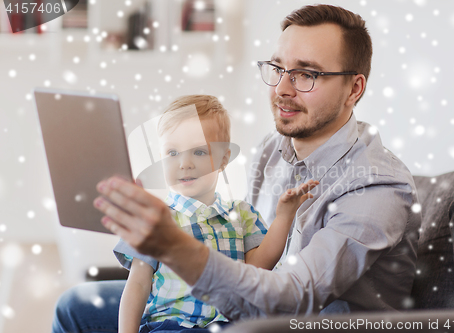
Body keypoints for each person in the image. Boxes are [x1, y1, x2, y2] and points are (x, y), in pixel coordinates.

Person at [52, 4, 421, 332]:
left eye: (306, 74)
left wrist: (177, 247)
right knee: (75, 306)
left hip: (300, 322)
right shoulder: (272, 149)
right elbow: (244, 251)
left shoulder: (377, 188)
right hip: (244, 313)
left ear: (354, 89)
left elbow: (295, 297)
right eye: (278, 68)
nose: (283, 88)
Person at [114, 94, 318, 333]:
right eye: (172, 153)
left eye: (199, 152)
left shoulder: (242, 214)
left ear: (223, 159)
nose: (184, 163)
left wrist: (284, 216)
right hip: (172, 325)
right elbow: (138, 284)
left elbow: (258, 267)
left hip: (231, 325)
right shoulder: (154, 219)